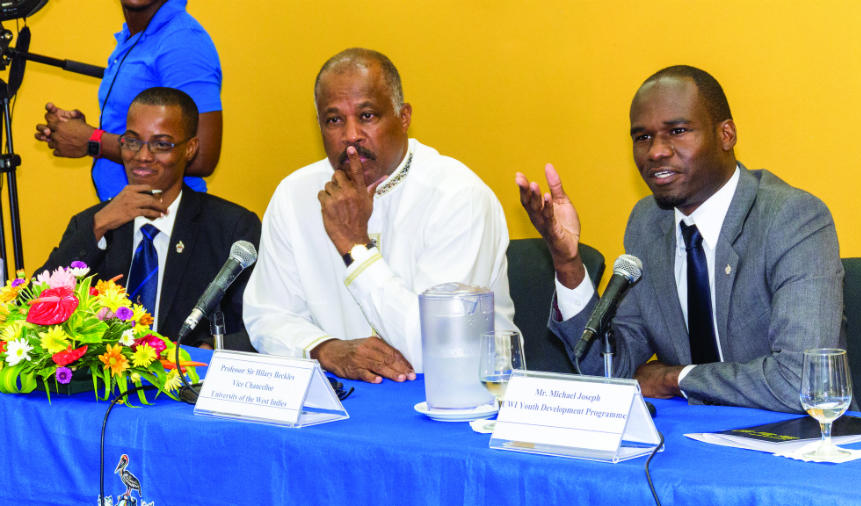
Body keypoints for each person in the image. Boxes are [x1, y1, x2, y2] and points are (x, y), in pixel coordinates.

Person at [516, 65, 844, 413]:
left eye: (677, 130)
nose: (656, 151)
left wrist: (677, 379)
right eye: (642, 137)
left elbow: (804, 382)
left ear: (726, 135)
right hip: (691, 439)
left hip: (792, 445)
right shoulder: (647, 223)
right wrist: (567, 262)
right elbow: (609, 370)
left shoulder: (791, 218)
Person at [243, 48, 517, 383]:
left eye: (367, 115)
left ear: (404, 117)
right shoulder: (294, 194)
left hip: (460, 404)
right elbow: (267, 314)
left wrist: (355, 247)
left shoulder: (458, 197)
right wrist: (325, 349)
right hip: (343, 398)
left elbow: (435, 351)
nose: (351, 135)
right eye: (334, 120)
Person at [38, 87, 260, 348]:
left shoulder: (230, 228)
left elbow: (260, 327)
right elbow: (38, 307)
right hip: (103, 383)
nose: (142, 156)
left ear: (190, 149)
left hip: (189, 382)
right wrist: (98, 226)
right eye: (132, 141)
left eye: (161, 144)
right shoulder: (93, 224)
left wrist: (209, 348)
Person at [35, 0, 222, 202]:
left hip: (165, 221)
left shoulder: (183, 42)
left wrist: (93, 141)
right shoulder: (134, 36)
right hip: (125, 215)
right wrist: (77, 130)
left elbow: (202, 157)